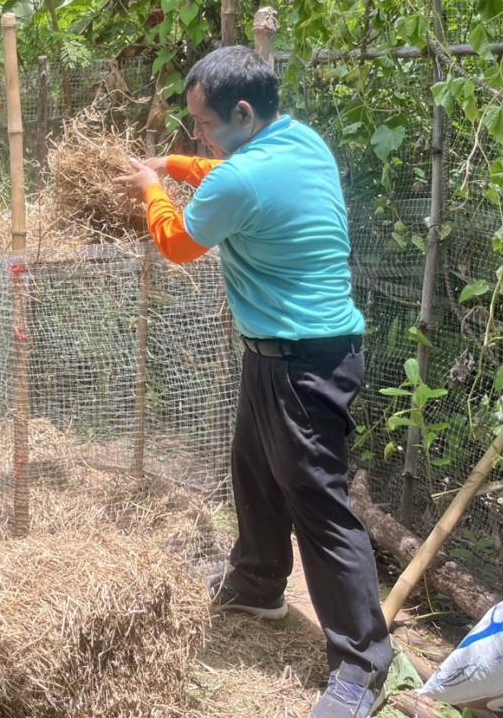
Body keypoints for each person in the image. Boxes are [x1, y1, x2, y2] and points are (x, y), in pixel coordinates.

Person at [115, 45, 393, 718]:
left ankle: (362, 665)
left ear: (242, 112)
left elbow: (179, 242)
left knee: (318, 503)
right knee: (255, 470)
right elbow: (217, 172)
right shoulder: (298, 144)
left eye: (204, 123)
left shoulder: (239, 182)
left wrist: (149, 188)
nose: (198, 137)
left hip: (301, 363)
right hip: (287, 354)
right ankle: (259, 583)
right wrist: (172, 165)